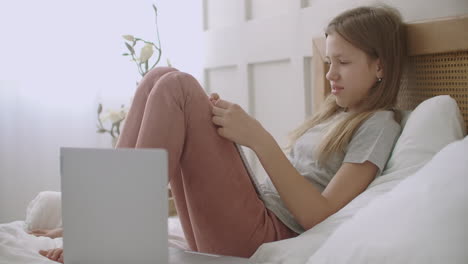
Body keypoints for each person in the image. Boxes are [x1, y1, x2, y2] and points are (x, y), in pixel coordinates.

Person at [36, 4, 406, 263]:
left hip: (264, 235)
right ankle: (94, 224)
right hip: (248, 217)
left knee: (178, 87)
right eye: (328, 62)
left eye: (343, 62)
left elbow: (319, 215)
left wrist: (257, 137)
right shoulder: (332, 116)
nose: (330, 75)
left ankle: (107, 236)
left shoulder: (379, 124)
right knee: (159, 78)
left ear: (380, 67)